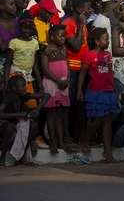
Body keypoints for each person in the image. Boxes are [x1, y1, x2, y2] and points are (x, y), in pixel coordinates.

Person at [77, 27, 119, 162]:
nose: (108, 41)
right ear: (96, 41)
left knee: (107, 121)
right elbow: (82, 74)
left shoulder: (107, 54)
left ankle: (107, 152)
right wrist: (79, 90)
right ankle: (85, 139)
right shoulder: (89, 55)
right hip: (96, 91)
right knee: (99, 119)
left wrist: (114, 88)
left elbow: (110, 73)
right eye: (105, 39)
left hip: (107, 90)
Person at [0, 75, 49, 166]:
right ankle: (2, 157)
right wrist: (18, 114)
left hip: (15, 123)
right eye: (21, 86)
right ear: (14, 88)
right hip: (4, 124)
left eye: (24, 85)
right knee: (10, 127)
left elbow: (46, 95)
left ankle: (21, 157)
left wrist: (37, 109)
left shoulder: (23, 96)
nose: (24, 88)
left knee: (33, 125)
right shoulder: (8, 97)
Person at [64, 0, 92, 143]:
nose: (90, 11)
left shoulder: (83, 23)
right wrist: (80, 26)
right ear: (80, 9)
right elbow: (75, 46)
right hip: (72, 69)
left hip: (84, 69)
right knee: (70, 104)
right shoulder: (68, 24)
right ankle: (67, 135)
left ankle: (81, 135)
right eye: (88, 8)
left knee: (81, 104)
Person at [40, 25, 71, 154]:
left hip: (63, 84)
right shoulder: (47, 50)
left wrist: (67, 79)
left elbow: (67, 65)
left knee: (59, 114)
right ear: (52, 37)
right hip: (52, 83)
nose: (63, 38)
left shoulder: (63, 50)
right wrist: (58, 81)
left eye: (64, 36)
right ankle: (53, 141)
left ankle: (61, 142)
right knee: (51, 114)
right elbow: (45, 68)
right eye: (60, 36)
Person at [4, 13, 40, 107]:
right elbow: (8, 63)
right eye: (25, 28)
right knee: (15, 102)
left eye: (30, 28)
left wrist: (39, 81)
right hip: (15, 75)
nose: (27, 31)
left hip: (27, 77)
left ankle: (27, 120)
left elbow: (34, 62)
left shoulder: (35, 43)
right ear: (20, 27)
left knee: (31, 104)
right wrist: (6, 81)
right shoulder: (14, 42)